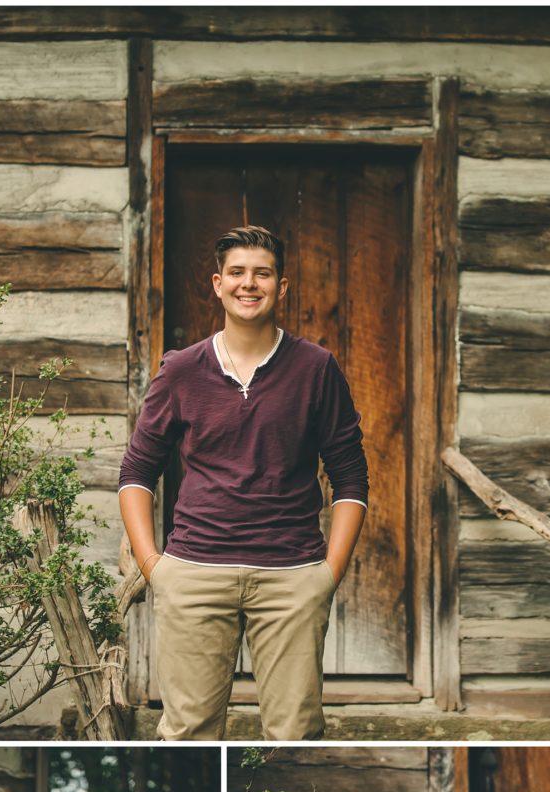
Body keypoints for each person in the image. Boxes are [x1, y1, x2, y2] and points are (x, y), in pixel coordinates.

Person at [118, 224, 368, 743]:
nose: (248, 284)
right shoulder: (182, 370)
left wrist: (328, 574)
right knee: (188, 734)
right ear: (217, 283)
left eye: (262, 273)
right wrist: (153, 567)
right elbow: (137, 472)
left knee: (295, 734)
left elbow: (350, 477)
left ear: (282, 286)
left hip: (292, 575)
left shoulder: (316, 368)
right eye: (237, 273)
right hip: (195, 574)